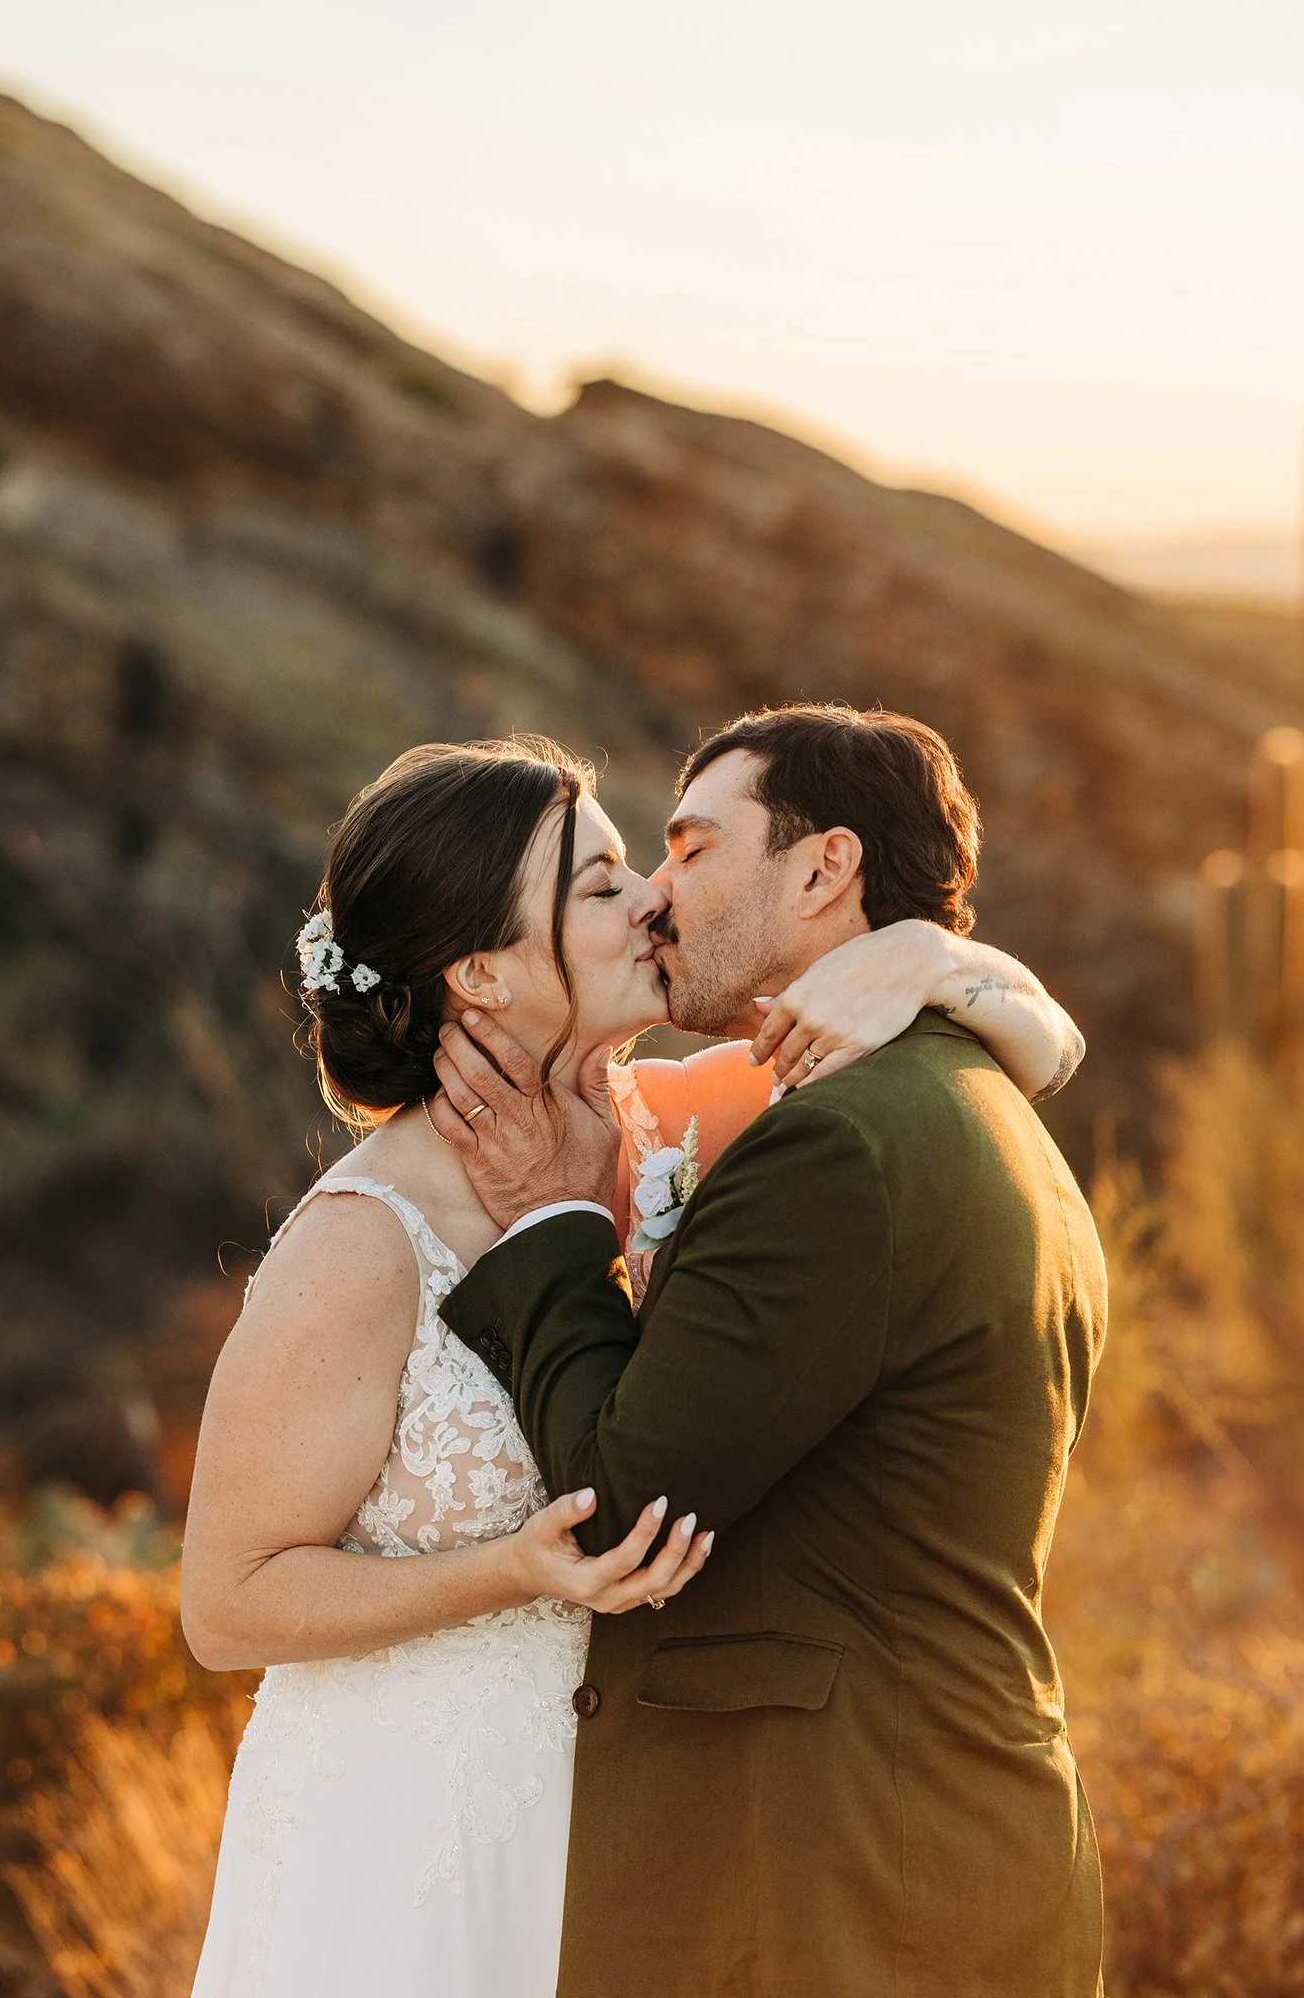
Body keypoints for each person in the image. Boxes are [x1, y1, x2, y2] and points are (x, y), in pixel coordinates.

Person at [181, 730, 1086, 1998]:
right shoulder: (358, 1240)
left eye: (647, 864)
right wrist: (508, 1569)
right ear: (484, 973)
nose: (655, 896)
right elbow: (226, 1603)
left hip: (621, 1826)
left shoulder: (672, 1118)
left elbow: (1031, 1057)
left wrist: (921, 954)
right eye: (603, 886)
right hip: (414, 1826)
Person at [433, 706, 1107, 1998]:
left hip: (846, 1879)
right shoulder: (978, 1106)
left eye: (689, 849)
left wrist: (548, 1223)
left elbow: (618, 1502)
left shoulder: (841, 1143)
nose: (654, 896)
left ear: (821, 871)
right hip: (931, 1846)